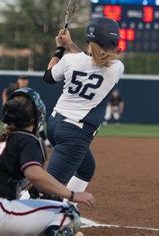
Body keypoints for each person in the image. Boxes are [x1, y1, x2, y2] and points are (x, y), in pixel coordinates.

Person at [0, 87, 95, 236]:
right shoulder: (27, 139)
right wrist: (71, 195)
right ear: (35, 116)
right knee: (68, 214)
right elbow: (34, 174)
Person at [42, 17, 124, 195]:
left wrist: (61, 47)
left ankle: (65, 207)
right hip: (75, 133)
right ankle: (23, 213)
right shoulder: (117, 67)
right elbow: (93, 61)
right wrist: (70, 45)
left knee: (86, 169)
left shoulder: (70, 60)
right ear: (111, 40)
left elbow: (48, 77)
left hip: (55, 124)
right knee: (48, 188)